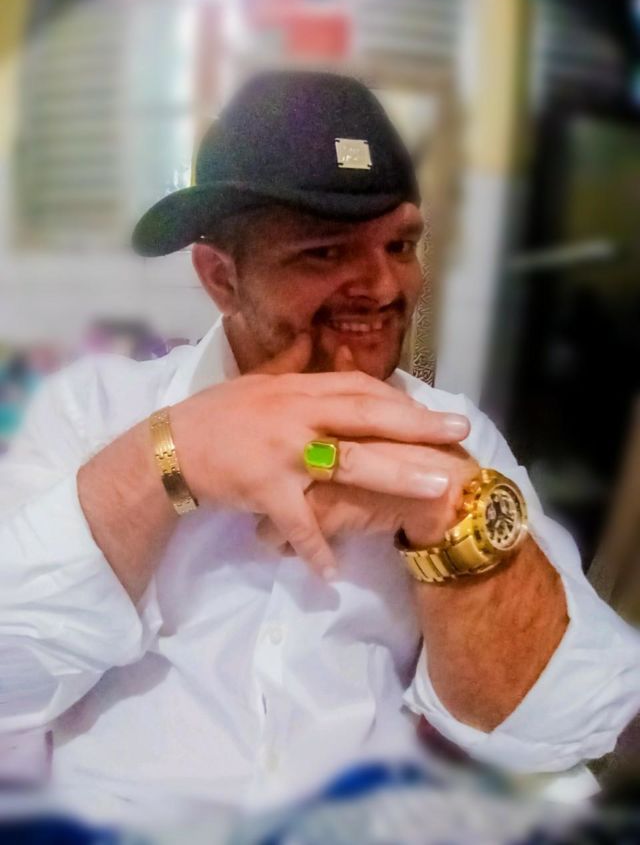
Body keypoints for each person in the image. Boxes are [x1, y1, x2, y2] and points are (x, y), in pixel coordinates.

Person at [1, 71, 638, 824]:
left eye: (400, 244)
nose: (385, 285)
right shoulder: (97, 412)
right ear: (221, 278)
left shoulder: (451, 436)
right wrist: (168, 459)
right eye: (324, 252)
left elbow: (571, 723)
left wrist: (449, 510)